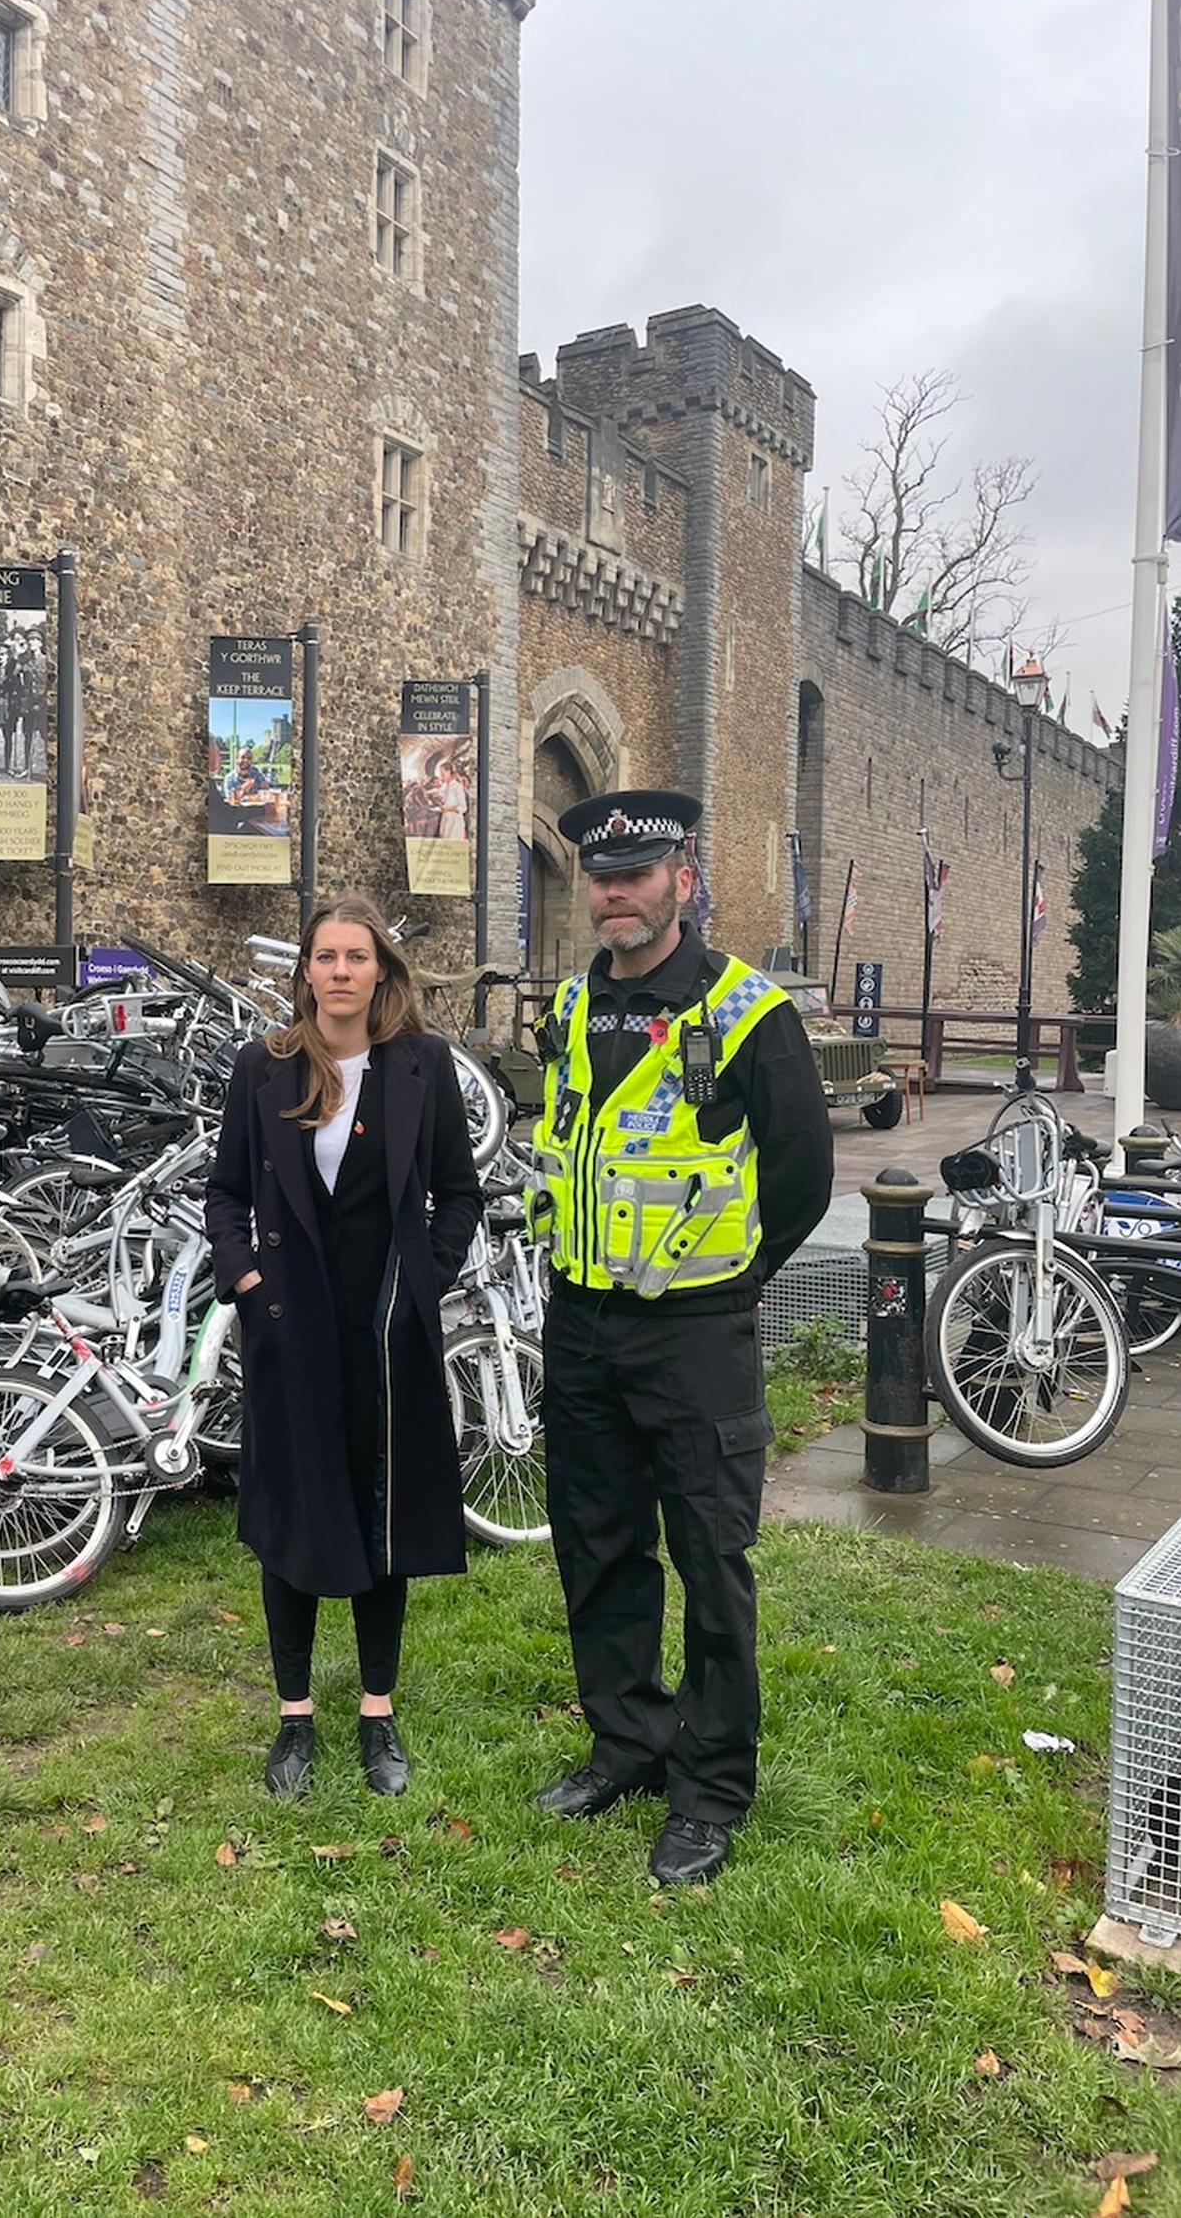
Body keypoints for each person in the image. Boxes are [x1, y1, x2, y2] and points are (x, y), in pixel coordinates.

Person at [528, 790, 832, 1885]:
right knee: (597, 1544)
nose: (617, 888)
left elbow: (801, 1173)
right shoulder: (569, 1007)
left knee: (711, 1556)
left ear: (680, 875)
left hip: (696, 1330)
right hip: (583, 1318)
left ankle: (709, 1786)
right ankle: (628, 1741)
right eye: (600, 873)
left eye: (637, 870)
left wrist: (734, 1278)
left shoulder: (747, 1012)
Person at [206, 894, 484, 1800]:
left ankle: (376, 1711)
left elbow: (458, 1192)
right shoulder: (266, 1066)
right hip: (289, 1325)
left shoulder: (421, 1067)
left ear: (380, 972)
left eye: (354, 957)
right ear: (306, 974)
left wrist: (427, 1281)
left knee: (381, 1516)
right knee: (290, 1516)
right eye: (324, 957)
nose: (338, 972)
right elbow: (225, 1195)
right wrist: (247, 1279)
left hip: (386, 1328)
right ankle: (293, 1719)